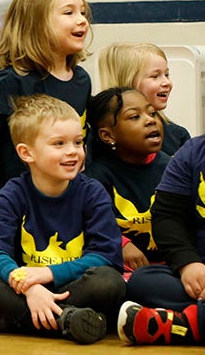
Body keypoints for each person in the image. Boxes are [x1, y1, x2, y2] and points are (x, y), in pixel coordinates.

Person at [0, 95, 126, 344]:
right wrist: (31, 288)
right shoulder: (13, 193)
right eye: (58, 144)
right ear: (27, 153)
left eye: (78, 142)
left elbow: (105, 256)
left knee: (109, 283)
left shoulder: (92, 192)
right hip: (26, 287)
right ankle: (66, 320)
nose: (72, 151)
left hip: (72, 286)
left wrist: (47, 274)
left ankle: (10, 320)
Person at [0, 0, 92, 217]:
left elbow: (81, 139)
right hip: (16, 203)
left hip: (63, 199)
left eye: (82, 12)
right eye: (69, 12)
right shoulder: (14, 80)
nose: (81, 19)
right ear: (37, 24)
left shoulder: (81, 80)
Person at [85, 87, 169, 272]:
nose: (150, 120)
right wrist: (121, 243)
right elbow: (91, 222)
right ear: (108, 135)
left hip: (173, 264)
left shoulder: (173, 168)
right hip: (123, 270)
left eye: (152, 113)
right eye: (134, 117)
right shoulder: (96, 177)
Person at [124, 126, 205, 314]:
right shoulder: (192, 152)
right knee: (142, 282)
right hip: (199, 270)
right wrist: (188, 264)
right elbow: (167, 217)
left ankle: (187, 325)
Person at [98, 42, 191, 157]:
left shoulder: (177, 135)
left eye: (167, 74)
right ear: (128, 83)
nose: (167, 82)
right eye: (155, 76)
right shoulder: (100, 139)